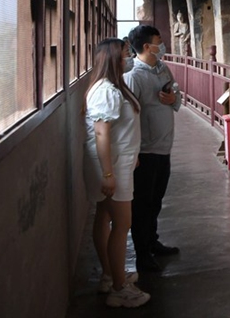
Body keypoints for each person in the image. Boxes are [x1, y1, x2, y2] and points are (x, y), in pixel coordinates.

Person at [83, 38, 150, 308]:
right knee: (122, 225)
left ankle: (111, 275)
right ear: (113, 59)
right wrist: (109, 174)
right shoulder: (107, 90)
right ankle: (120, 289)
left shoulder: (110, 87)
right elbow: (102, 132)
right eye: (125, 54)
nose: (129, 57)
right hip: (112, 166)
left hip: (115, 163)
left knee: (104, 216)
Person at [125, 25, 182, 272]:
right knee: (142, 204)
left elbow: (176, 96)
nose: (163, 44)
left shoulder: (162, 68)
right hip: (145, 152)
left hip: (164, 147)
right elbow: (129, 117)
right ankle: (141, 253)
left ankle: (152, 240)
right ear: (147, 46)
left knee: (156, 200)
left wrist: (174, 99)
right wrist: (134, 152)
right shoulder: (133, 77)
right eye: (159, 41)